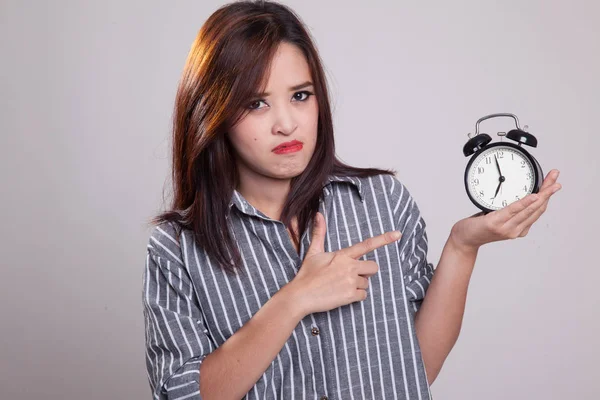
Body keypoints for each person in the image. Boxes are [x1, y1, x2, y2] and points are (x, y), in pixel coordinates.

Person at [141, 1, 562, 399]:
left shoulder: (382, 201)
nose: (286, 123)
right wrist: (295, 299)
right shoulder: (177, 247)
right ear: (212, 112)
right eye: (256, 104)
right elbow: (182, 393)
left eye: (300, 95)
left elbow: (418, 367)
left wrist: (463, 246)